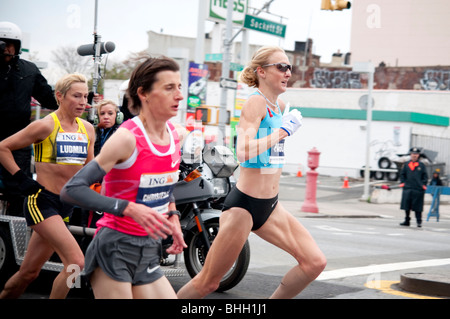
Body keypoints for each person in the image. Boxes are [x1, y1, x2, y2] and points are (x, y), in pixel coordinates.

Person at [177, 46, 327, 299]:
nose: (288, 72)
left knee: (314, 263)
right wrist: (283, 131)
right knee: (208, 282)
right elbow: (243, 151)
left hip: (270, 206)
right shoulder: (255, 102)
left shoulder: (278, 105)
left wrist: (282, 126)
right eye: (281, 66)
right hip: (244, 208)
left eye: (289, 67)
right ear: (262, 72)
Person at [60, 56, 187, 299]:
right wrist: (128, 208)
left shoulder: (175, 135)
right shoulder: (127, 138)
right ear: (144, 93)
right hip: (115, 248)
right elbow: (72, 189)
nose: (179, 95)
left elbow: (162, 186)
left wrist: (173, 216)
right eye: (169, 88)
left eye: (179, 87)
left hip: (149, 249)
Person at [0, 73, 95, 299]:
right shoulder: (45, 126)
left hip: (66, 206)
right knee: (76, 262)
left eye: (85, 96)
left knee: (28, 273)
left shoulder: (88, 129)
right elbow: (3, 147)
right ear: (59, 96)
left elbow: (91, 167)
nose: (83, 102)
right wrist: (21, 179)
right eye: (77, 96)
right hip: (41, 202)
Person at [0, 21, 58, 216]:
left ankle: (12, 236)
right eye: (1, 43)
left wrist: (74, 96)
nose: (5, 48)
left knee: (17, 190)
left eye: (9, 44)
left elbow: (50, 98)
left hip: (18, 141)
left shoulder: (29, 70)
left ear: (17, 46)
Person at [399, 147, 428, 227]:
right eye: (412, 154)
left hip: (418, 189)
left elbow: (425, 177)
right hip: (408, 188)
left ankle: (419, 221)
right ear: (410, 154)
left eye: (415, 154)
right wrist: (403, 182)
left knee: (417, 206)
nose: (414, 155)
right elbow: (402, 174)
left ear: (418, 155)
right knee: (406, 205)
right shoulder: (406, 164)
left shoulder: (421, 165)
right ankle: (407, 220)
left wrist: (423, 185)